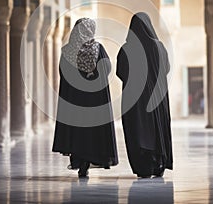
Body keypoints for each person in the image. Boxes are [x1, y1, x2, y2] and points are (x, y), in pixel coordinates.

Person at [52, 17, 118, 178]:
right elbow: (107, 68)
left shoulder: (67, 50)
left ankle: (80, 161)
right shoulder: (98, 48)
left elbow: (62, 72)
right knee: (92, 132)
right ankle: (87, 161)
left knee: (77, 131)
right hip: (94, 100)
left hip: (74, 99)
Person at [116, 12, 173, 178]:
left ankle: (143, 167)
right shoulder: (159, 46)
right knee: (158, 128)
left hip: (135, 101)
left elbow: (121, 73)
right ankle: (159, 163)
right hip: (157, 98)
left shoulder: (126, 49)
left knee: (137, 130)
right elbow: (167, 69)